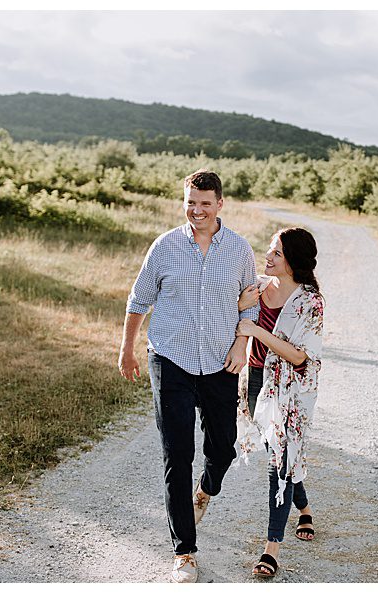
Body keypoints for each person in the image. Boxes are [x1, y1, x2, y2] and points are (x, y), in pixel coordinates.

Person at [119, 169, 259, 583]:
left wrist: (241, 344)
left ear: (220, 204)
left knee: (223, 449)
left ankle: (206, 490)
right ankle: (184, 551)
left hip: (220, 361)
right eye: (191, 203)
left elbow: (250, 303)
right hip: (170, 359)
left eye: (205, 203)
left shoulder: (239, 250)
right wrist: (126, 349)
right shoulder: (164, 246)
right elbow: (139, 300)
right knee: (177, 454)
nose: (197, 211)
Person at [233, 227, 325, 579]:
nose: (268, 256)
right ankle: (305, 508)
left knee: (280, 460)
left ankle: (271, 548)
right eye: (270, 249)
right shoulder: (256, 288)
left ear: (293, 262)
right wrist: (239, 308)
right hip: (255, 380)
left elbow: (300, 356)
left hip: (290, 389)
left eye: (277, 253)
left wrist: (257, 331)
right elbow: (230, 317)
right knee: (281, 452)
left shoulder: (310, 302)